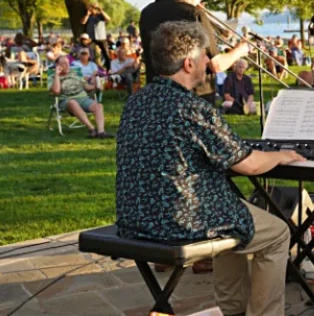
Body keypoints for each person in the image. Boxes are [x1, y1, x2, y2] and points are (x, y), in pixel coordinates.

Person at [116, 21, 304, 316]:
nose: (209, 61)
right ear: (189, 63)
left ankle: (232, 310)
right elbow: (251, 164)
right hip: (178, 220)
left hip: (135, 216)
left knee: (235, 213)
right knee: (278, 233)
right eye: (205, 55)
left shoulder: (136, 102)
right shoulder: (192, 107)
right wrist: (281, 156)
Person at [139, 0, 250, 105]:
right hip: (195, 97)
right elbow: (216, 65)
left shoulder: (147, 12)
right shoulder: (194, 13)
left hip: (157, 96)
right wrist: (240, 51)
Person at [49, 56, 111, 138]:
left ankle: (101, 132)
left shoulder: (75, 72)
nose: (67, 65)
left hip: (83, 98)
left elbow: (86, 86)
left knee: (98, 106)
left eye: (68, 63)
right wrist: (57, 74)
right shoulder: (52, 76)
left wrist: (96, 85)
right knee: (72, 102)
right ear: (57, 65)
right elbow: (56, 91)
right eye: (64, 63)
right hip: (66, 101)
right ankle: (91, 129)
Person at [80, 2, 112, 70]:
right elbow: (83, 22)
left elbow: (108, 18)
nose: (92, 10)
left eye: (94, 8)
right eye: (91, 8)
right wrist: (87, 14)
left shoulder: (100, 15)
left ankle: (109, 68)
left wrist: (101, 10)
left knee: (106, 53)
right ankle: (90, 68)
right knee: (90, 53)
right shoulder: (88, 16)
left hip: (101, 37)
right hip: (91, 38)